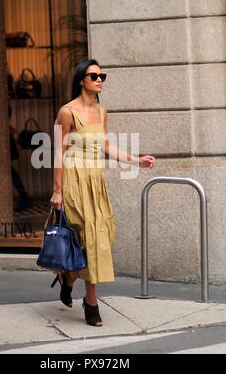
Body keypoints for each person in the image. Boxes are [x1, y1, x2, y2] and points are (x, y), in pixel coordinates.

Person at [48, 59, 156, 327]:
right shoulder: (66, 112)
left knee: (100, 237)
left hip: (95, 182)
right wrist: (57, 191)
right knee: (86, 238)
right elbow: (58, 153)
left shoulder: (102, 111)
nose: (99, 80)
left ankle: (69, 278)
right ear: (81, 80)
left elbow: (106, 146)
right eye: (93, 75)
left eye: (102, 75)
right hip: (74, 181)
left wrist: (135, 160)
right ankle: (92, 301)